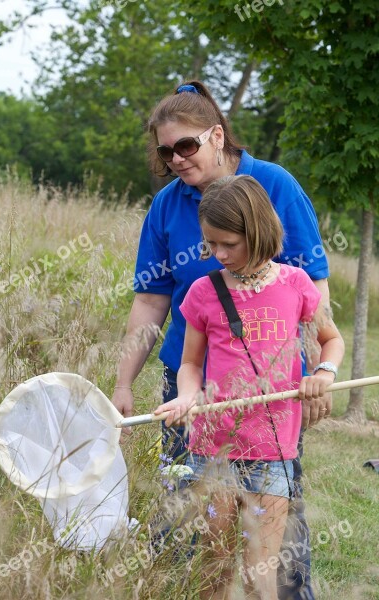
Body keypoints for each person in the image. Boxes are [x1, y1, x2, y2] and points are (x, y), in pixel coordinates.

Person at [111, 80, 331, 598]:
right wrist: (123, 383)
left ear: (216, 135)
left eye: (185, 146)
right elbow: (149, 300)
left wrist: (319, 368)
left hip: (269, 388)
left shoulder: (273, 185)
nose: (176, 159)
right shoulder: (167, 205)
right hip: (191, 385)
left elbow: (310, 287)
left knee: (273, 522)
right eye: (165, 152)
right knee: (191, 513)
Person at [153, 174, 345, 600]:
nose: (218, 254)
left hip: (273, 452)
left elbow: (331, 339)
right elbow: (189, 363)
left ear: (257, 232)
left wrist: (323, 374)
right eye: (210, 244)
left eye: (228, 244)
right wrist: (188, 395)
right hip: (212, 451)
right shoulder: (205, 291)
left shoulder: (294, 285)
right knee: (214, 570)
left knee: (260, 576)